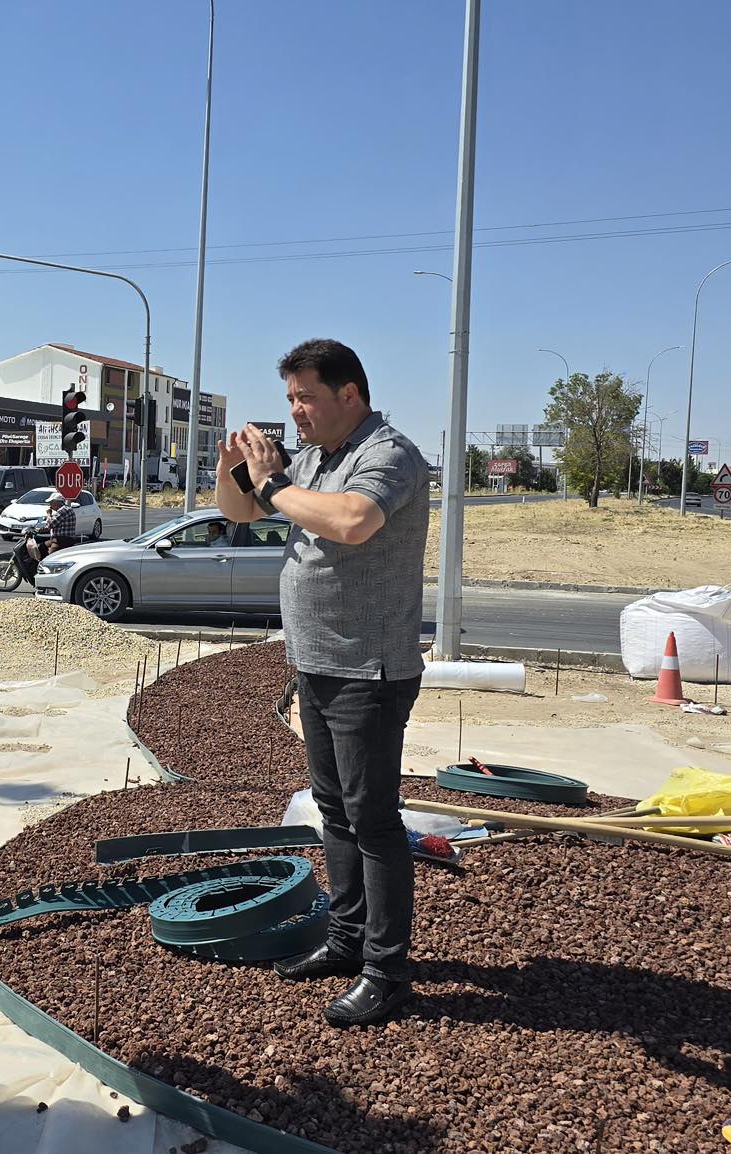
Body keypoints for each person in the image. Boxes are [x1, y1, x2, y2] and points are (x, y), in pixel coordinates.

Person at [215, 338, 430, 1028]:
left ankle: (386, 972)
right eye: (290, 399)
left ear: (350, 394)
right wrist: (232, 469)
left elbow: (352, 522)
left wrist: (274, 484)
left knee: (373, 821)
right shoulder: (310, 459)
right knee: (334, 813)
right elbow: (241, 513)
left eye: (305, 397)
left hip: (370, 669)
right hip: (316, 664)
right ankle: (346, 940)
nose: (296, 411)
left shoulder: (388, 454)